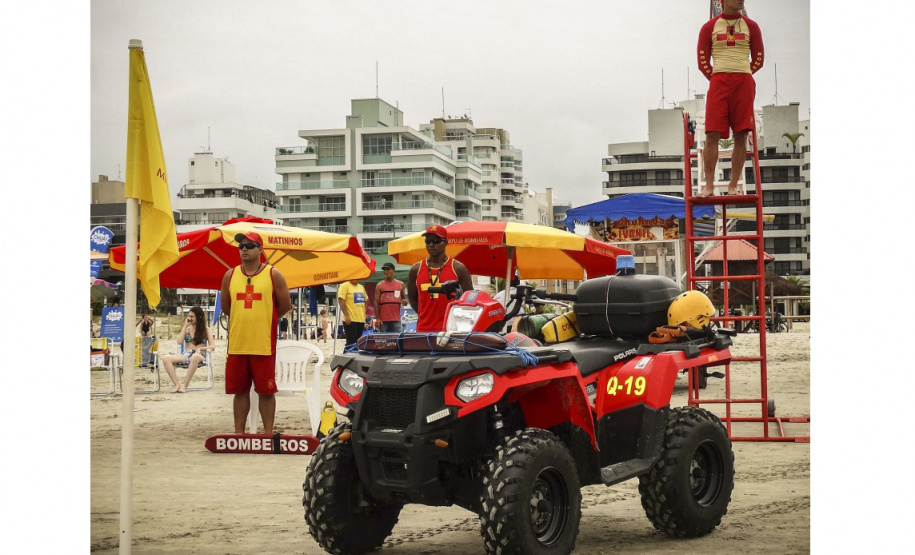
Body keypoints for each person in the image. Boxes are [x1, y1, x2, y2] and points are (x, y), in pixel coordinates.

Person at [220, 231, 291, 435]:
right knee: (239, 391)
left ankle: (268, 433)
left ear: (260, 249)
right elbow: (227, 308)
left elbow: (285, 305)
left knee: (266, 391)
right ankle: (239, 434)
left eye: (250, 246)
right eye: (241, 246)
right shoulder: (230, 275)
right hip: (237, 344)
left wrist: (265, 317)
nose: (244, 249)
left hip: (263, 343)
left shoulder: (273, 274)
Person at [696, 0, 764, 198]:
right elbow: (702, 61)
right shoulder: (709, 27)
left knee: (742, 134)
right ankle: (708, 185)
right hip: (719, 82)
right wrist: (718, 78)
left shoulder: (752, 26)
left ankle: (733, 185)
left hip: (743, 82)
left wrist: (741, 74)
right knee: (711, 134)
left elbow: (758, 58)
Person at [407, 225, 473, 332]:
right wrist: (424, 315)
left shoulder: (458, 268)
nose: (431, 245)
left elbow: (469, 299)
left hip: (451, 330)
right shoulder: (416, 269)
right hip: (423, 330)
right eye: (428, 241)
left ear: (445, 242)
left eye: (436, 240)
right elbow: (412, 298)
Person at [161, 306, 215, 393]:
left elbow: (212, 346)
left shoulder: (206, 330)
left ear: (199, 317)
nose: (189, 318)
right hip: (186, 354)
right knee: (166, 358)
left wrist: (201, 348)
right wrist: (185, 326)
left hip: (200, 355)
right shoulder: (187, 330)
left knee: (195, 357)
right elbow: (179, 341)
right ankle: (177, 384)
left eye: (192, 316)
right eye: (188, 316)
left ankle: (185, 385)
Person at [374, 262, 408, 333]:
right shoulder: (379, 285)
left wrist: (405, 301)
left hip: (396, 319)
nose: (385, 272)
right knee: (384, 341)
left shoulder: (400, 284)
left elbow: (404, 299)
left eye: (387, 269)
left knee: (397, 340)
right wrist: (377, 318)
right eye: (384, 270)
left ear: (393, 271)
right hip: (383, 320)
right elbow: (376, 303)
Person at [338, 278, 368, 347]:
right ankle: (346, 356)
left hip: (360, 319)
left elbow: (366, 300)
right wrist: (346, 315)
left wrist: (364, 311)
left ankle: (355, 356)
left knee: (358, 342)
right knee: (351, 342)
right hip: (350, 319)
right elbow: (341, 300)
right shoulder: (344, 286)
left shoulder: (361, 287)